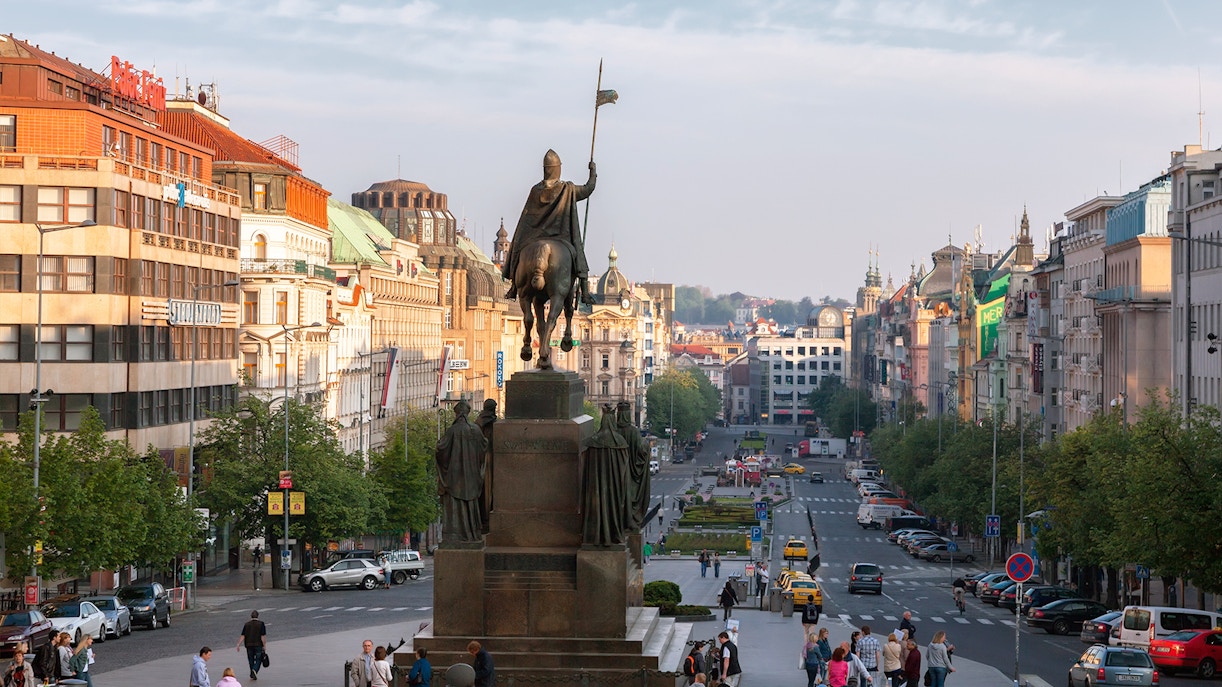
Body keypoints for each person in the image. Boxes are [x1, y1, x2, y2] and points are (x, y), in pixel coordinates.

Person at [500, 150, 596, 305]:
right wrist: (593, 172)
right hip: (560, 237)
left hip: (534, 236)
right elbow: (588, 189)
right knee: (578, 254)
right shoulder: (567, 189)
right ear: (558, 168)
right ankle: (585, 293)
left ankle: (514, 286)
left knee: (517, 244)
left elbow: (526, 218)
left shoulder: (535, 190)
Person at [436, 401, 489, 544]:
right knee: (471, 504)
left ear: (457, 413)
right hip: (472, 476)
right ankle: (472, 533)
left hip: (455, 476)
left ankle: (455, 535)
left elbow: (441, 450)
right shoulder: (475, 430)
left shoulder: (452, 431)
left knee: (455, 504)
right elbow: (484, 447)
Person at [236, 610, 267, 680]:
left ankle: (252, 673)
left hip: (248, 644)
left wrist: (238, 644)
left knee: (251, 659)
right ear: (258, 616)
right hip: (258, 644)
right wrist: (264, 645)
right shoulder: (261, 624)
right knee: (258, 659)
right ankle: (254, 670)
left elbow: (243, 635)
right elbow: (263, 636)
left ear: (251, 616)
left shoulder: (247, 624)